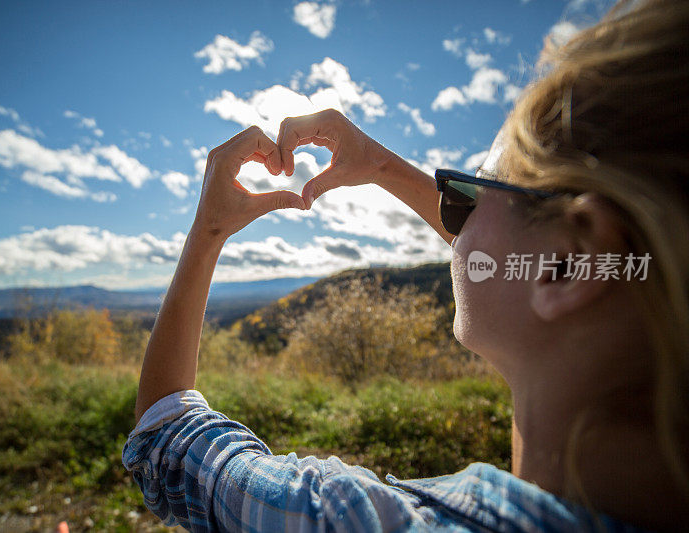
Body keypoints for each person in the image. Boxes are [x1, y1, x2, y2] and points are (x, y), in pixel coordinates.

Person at [122, 0, 688, 530]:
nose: (454, 214)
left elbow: (164, 432)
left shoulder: (346, 519)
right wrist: (380, 166)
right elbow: (502, 263)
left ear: (568, 266)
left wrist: (209, 231)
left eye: (471, 190)